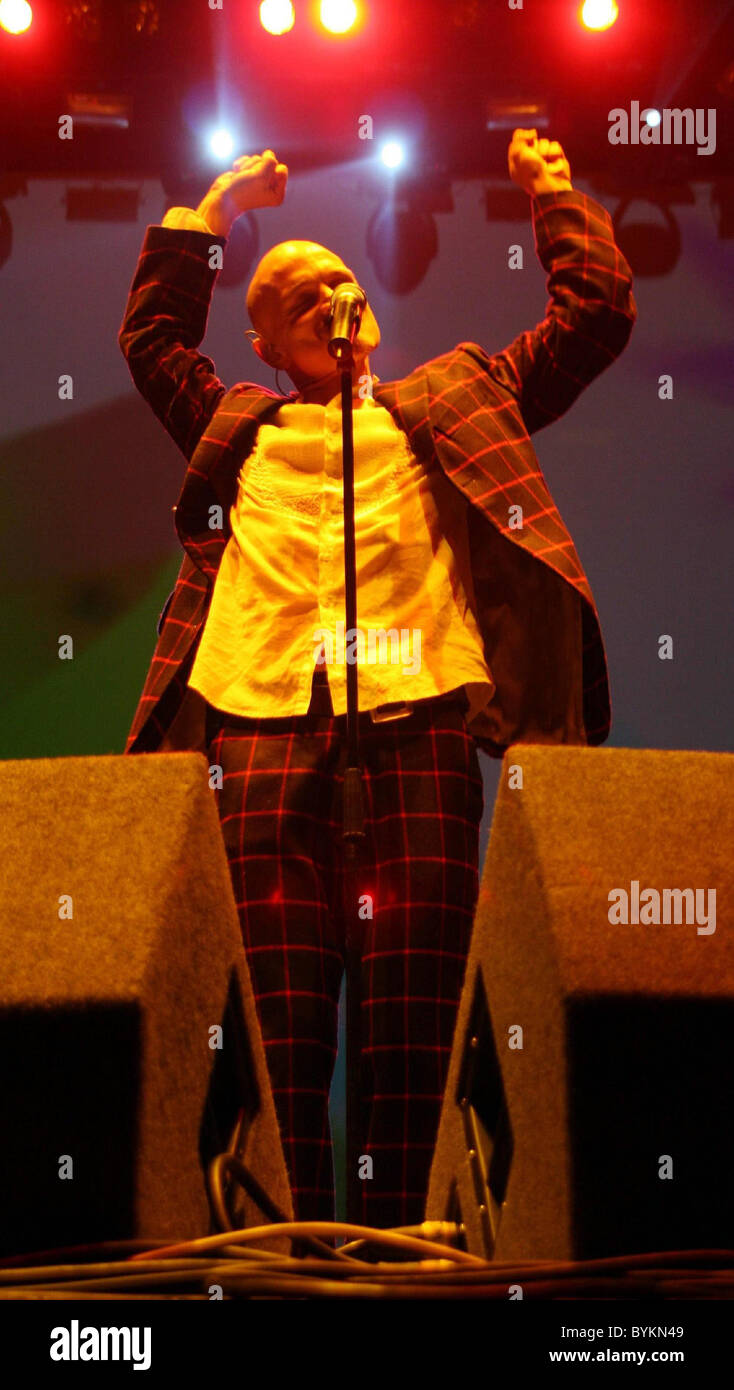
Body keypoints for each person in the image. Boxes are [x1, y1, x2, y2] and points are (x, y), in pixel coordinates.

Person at [119, 132, 637, 1230]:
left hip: (417, 730)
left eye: (343, 281)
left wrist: (551, 191)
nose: (333, 294)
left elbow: (590, 320)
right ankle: (284, 1259)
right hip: (254, 734)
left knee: (413, 1037)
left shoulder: (450, 399)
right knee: (275, 1039)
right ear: (261, 338)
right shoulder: (235, 428)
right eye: (300, 290)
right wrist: (212, 207)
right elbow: (152, 336)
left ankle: (405, 1267)